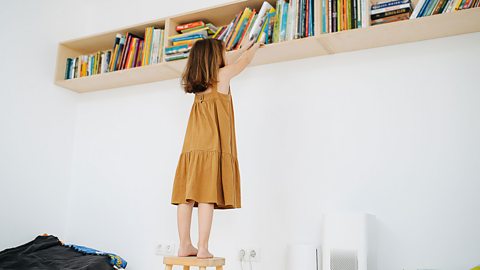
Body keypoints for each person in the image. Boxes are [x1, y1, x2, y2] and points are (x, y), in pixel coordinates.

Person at [170, 34, 265, 259]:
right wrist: (254, 49)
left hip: (192, 144)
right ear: (215, 59)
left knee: (187, 196)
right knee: (206, 197)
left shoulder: (199, 83)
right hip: (211, 143)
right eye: (223, 52)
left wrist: (242, 46)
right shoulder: (221, 76)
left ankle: (184, 244)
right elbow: (243, 62)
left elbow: (230, 56)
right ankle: (203, 247)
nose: (227, 55)